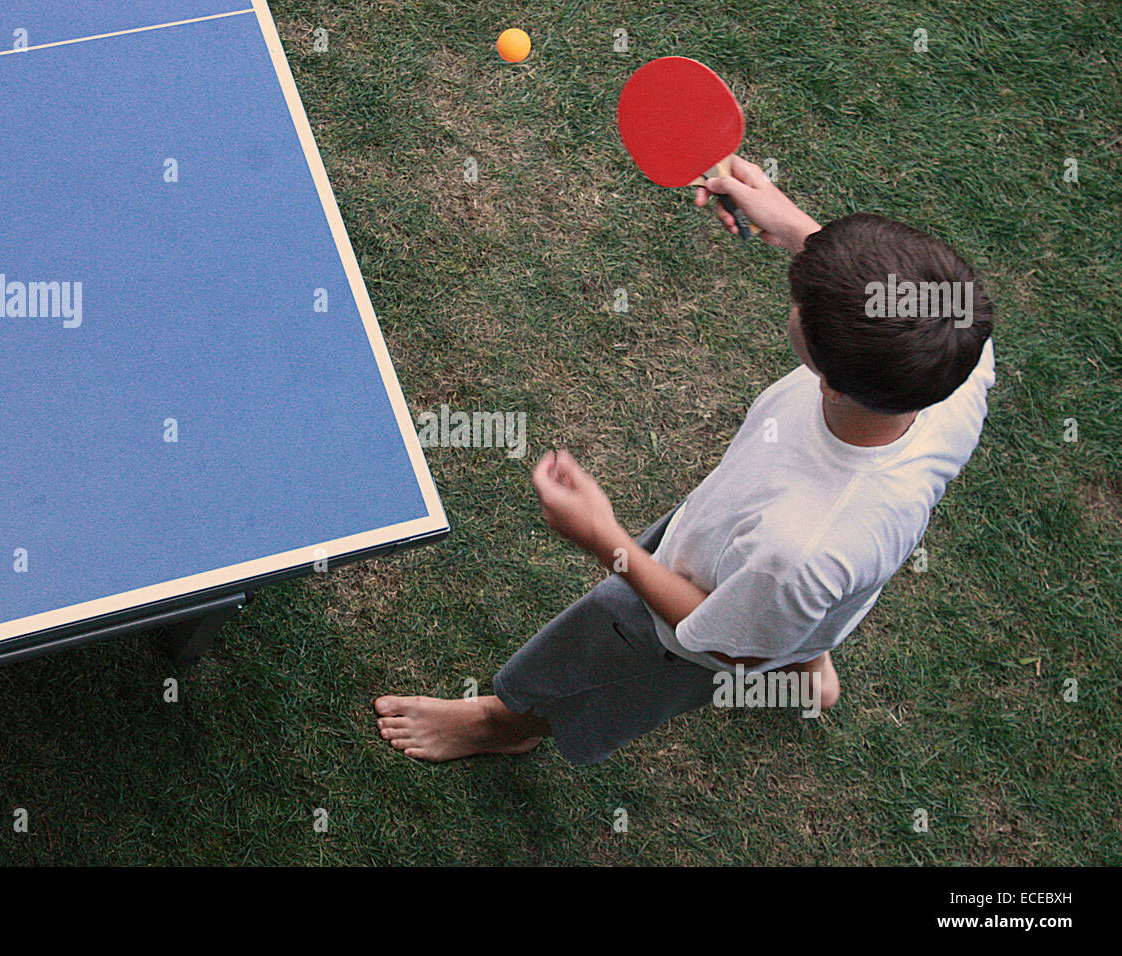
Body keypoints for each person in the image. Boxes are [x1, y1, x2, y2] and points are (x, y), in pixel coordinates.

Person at [375, 156, 996, 765]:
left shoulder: (796, 550)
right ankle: (806, 654)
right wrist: (791, 225)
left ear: (829, 383)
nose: (795, 296)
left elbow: (728, 652)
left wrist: (606, 538)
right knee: (796, 611)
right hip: (812, 578)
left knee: (618, 644)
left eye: (804, 306)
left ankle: (506, 723)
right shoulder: (956, 354)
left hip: (697, 620)